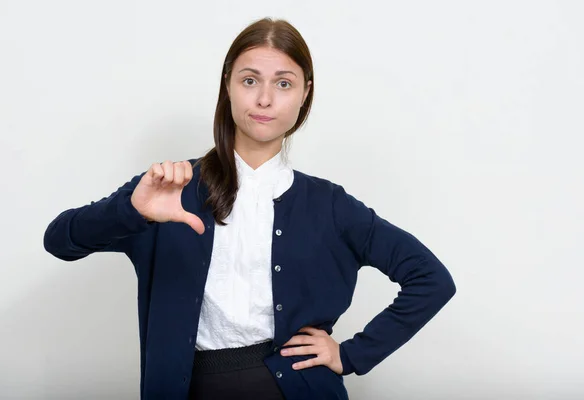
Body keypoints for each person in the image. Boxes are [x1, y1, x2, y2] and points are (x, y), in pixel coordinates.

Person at [43, 17, 456, 400]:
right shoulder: (168, 189)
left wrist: (350, 355)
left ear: (304, 94)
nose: (263, 98)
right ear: (228, 85)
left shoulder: (330, 206)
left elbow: (431, 279)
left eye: (283, 84)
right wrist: (129, 211)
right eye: (249, 80)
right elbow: (59, 240)